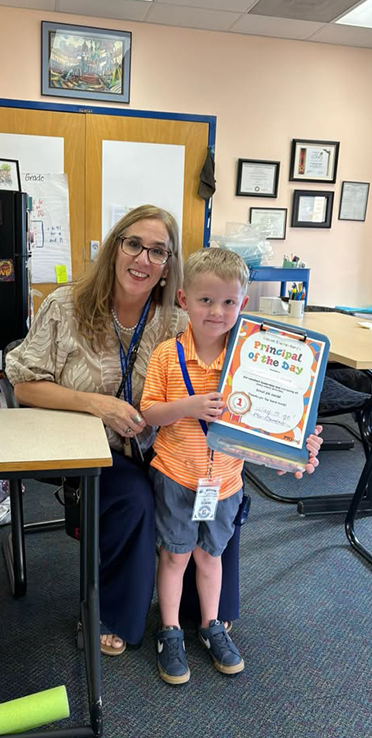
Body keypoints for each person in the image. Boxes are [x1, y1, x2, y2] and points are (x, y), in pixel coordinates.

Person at [5, 204, 240, 656]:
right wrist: (96, 404)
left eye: (158, 251)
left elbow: (234, 370)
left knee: (220, 484)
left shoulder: (178, 318)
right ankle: (115, 614)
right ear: (116, 247)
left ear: (169, 264)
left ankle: (205, 610)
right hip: (95, 448)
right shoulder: (65, 306)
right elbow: (25, 384)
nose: (143, 259)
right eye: (134, 244)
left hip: (166, 446)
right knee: (134, 499)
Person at [141, 248, 322, 685]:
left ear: (243, 304)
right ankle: (169, 631)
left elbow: (275, 425)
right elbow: (148, 413)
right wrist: (189, 406)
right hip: (176, 476)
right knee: (175, 557)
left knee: (211, 556)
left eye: (228, 302)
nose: (217, 311)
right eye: (205, 300)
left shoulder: (252, 360)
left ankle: (211, 624)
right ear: (183, 299)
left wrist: (297, 446)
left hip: (225, 484)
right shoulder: (168, 355)